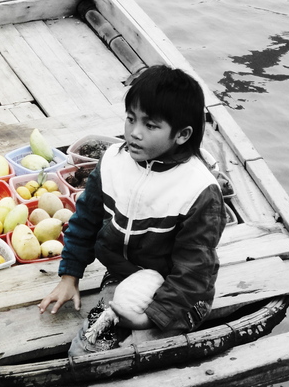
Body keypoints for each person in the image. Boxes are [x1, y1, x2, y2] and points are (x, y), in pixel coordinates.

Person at [39, 64, 226, 352]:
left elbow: (195, 271)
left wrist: (149, 319)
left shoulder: (199, 190)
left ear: (183, 134)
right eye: (130, 119)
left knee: (138, 350)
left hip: (182, 295)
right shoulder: (113, 162)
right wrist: (70, 276)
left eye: (150, 126)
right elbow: (84, 222)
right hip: (124, 276)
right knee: (86, 350)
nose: (134, 133)